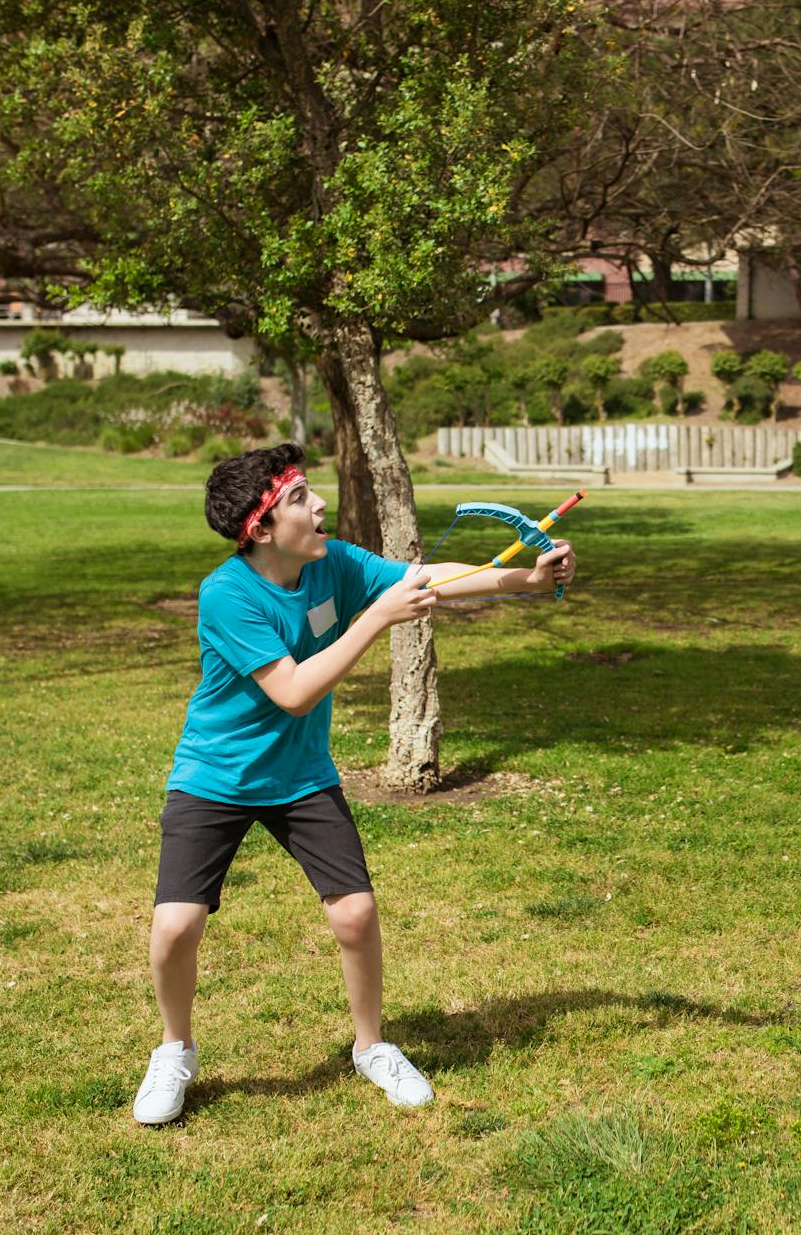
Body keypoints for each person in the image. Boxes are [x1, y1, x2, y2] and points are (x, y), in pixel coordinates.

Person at [132, 443, 576, 1125]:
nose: (319, 504)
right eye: (299, 497)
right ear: (260, 528)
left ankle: (371, 1046)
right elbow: (294, 692)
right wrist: (376, 617)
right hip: (215, 776)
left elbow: (425, 580)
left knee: (356, 913)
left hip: (300, 776)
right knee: (175, 926)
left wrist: (528, 579)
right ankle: (174, 1050)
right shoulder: (226, 593)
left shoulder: (332, 562)